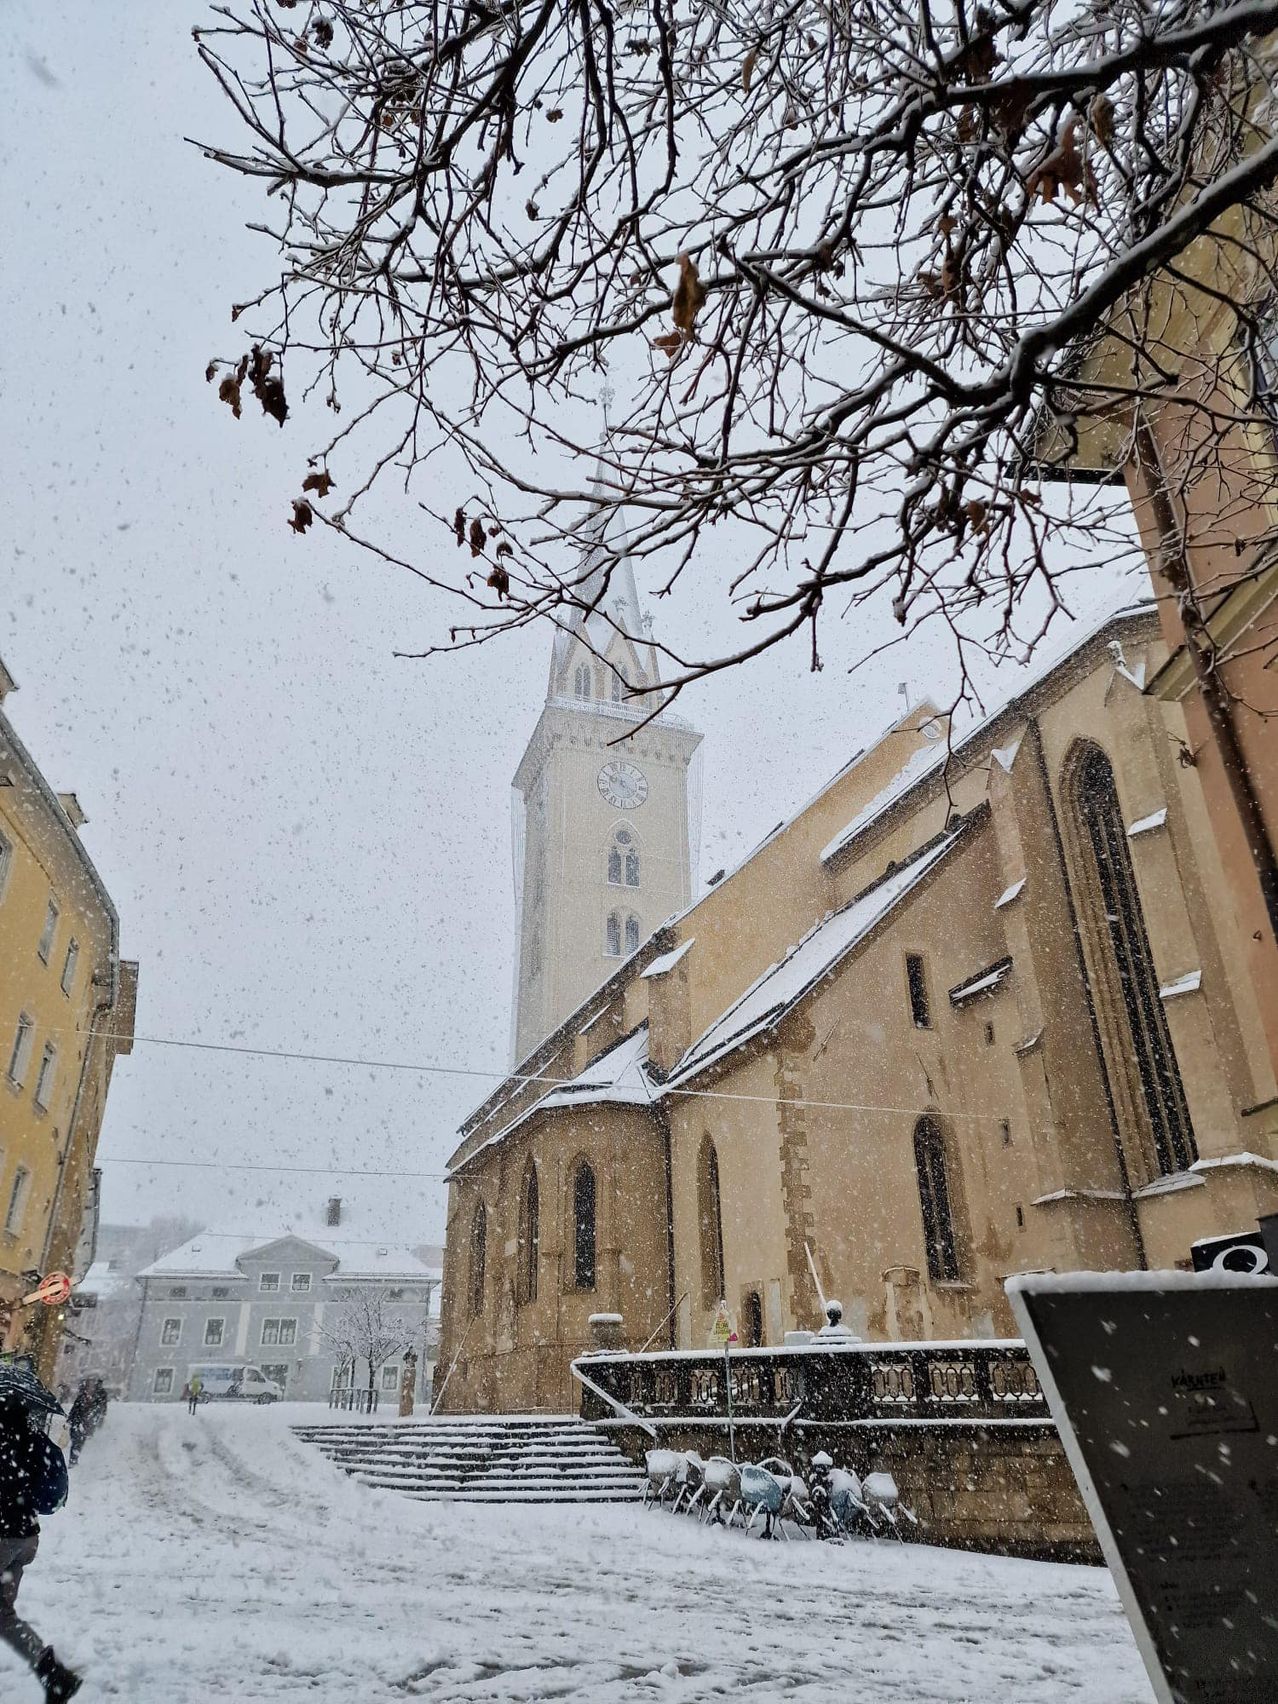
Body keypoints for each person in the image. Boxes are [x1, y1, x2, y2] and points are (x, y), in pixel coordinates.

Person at [0, 1391, 80, 1700]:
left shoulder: (3, 1444)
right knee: (2, 1615)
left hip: (2, 1536)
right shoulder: (34, 1441)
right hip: (25, 1539)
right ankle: (54, 1675)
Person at [65, 1384, 92, 1467]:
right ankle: (73, 1460)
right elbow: (80, 1413)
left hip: (76, 1424)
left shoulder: (81, 1399)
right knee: (77, 1443)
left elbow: (74, 1411)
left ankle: (73, 1460)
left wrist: (69, 1420)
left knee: (76, 1443)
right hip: (78, 1425)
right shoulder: (82, 1400)